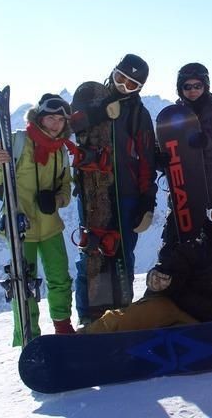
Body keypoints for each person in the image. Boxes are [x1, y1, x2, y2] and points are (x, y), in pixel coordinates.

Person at [80, 190, 212, 333]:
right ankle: (83, 339)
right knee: (129, 317)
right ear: (209, 217)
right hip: (179, 312)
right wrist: (160, 280)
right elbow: (172, 271)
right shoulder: (195, 249)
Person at [0, 93, 76, 345]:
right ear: (40, 118)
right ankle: (29, 337)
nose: (56, 124)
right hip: (20, 225)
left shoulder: (60, 150)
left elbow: (66, 185)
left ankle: (63, 327)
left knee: (60, 278)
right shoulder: (16, 141)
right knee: (23, 284)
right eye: (51, 118)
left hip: (50, 224)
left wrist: (57, 200)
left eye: (60, 120)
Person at [73, 53, 158, 325]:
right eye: (120, 78)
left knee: (121, 254)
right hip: (92, 190)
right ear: (112, 72)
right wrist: (99, 112)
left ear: (139, 89)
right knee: (91, 251)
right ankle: (88, 317)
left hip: (127, 194)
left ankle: (121, 314)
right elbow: (68, 125)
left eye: (131, 84)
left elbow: (146, 158)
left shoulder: (139, 114)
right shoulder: (90, 98)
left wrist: (147, 200)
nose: (123, 86)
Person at [159, 62, 212, 247]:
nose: (193, 91)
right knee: (178, 248)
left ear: (206, 86)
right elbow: (162, 148)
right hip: (183, 196)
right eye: (187, 87)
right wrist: (160, 159)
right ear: (180, 89)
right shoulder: (171, 119)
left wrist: (209, 143)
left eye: (198, 86)